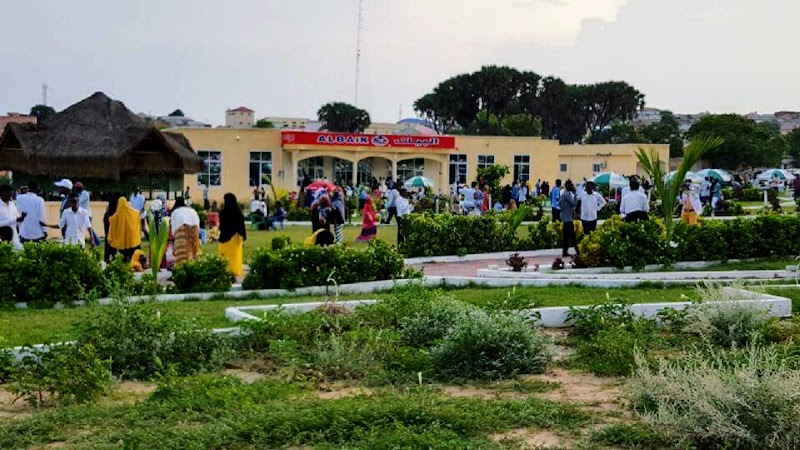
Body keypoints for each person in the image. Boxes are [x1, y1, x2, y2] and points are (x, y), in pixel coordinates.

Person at [218, 193, 247, 277]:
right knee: (235, 256)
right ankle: (235, 270)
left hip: (224, 238)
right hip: (235, 238)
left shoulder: (222, 213)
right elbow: (241, 226)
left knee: (224, 255)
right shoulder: (238, 213)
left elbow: (221, 226)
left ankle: (224, 270)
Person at [108, 196, 142, 262]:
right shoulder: (131, 212)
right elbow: (137, 214)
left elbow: (111, 220)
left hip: (121, 240)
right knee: (131, 254)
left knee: (122, 255)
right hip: (130, 239)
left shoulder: (117, 214)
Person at [170, 197, 201, 266]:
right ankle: (195, 265)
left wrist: (174, 238)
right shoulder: (192, 210)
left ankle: (181, 266)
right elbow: (197, 221)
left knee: (181, 249)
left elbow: (173, 227)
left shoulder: (175, 212)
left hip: (181, 227)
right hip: (195, 227)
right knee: (193, 248)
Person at [0, 184, 22, 250]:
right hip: (2, 237)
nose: (9, 195)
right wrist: (14, 220)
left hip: (14, 236)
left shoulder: (12, 205)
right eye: (7, 193)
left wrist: (20, 219)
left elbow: (18, 219)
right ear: (1, 194)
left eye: (10, 194)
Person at [560, 180, 578, 257]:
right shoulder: (567, 195)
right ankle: (578, 251)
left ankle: (565, 252)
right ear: (567, 186)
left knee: (566, 237)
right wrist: (575, 194)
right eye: (571, 185)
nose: (572, 187)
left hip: (566, 218)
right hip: (568, 219)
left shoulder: (564, 194)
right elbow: (574, 203)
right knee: (572, 236)